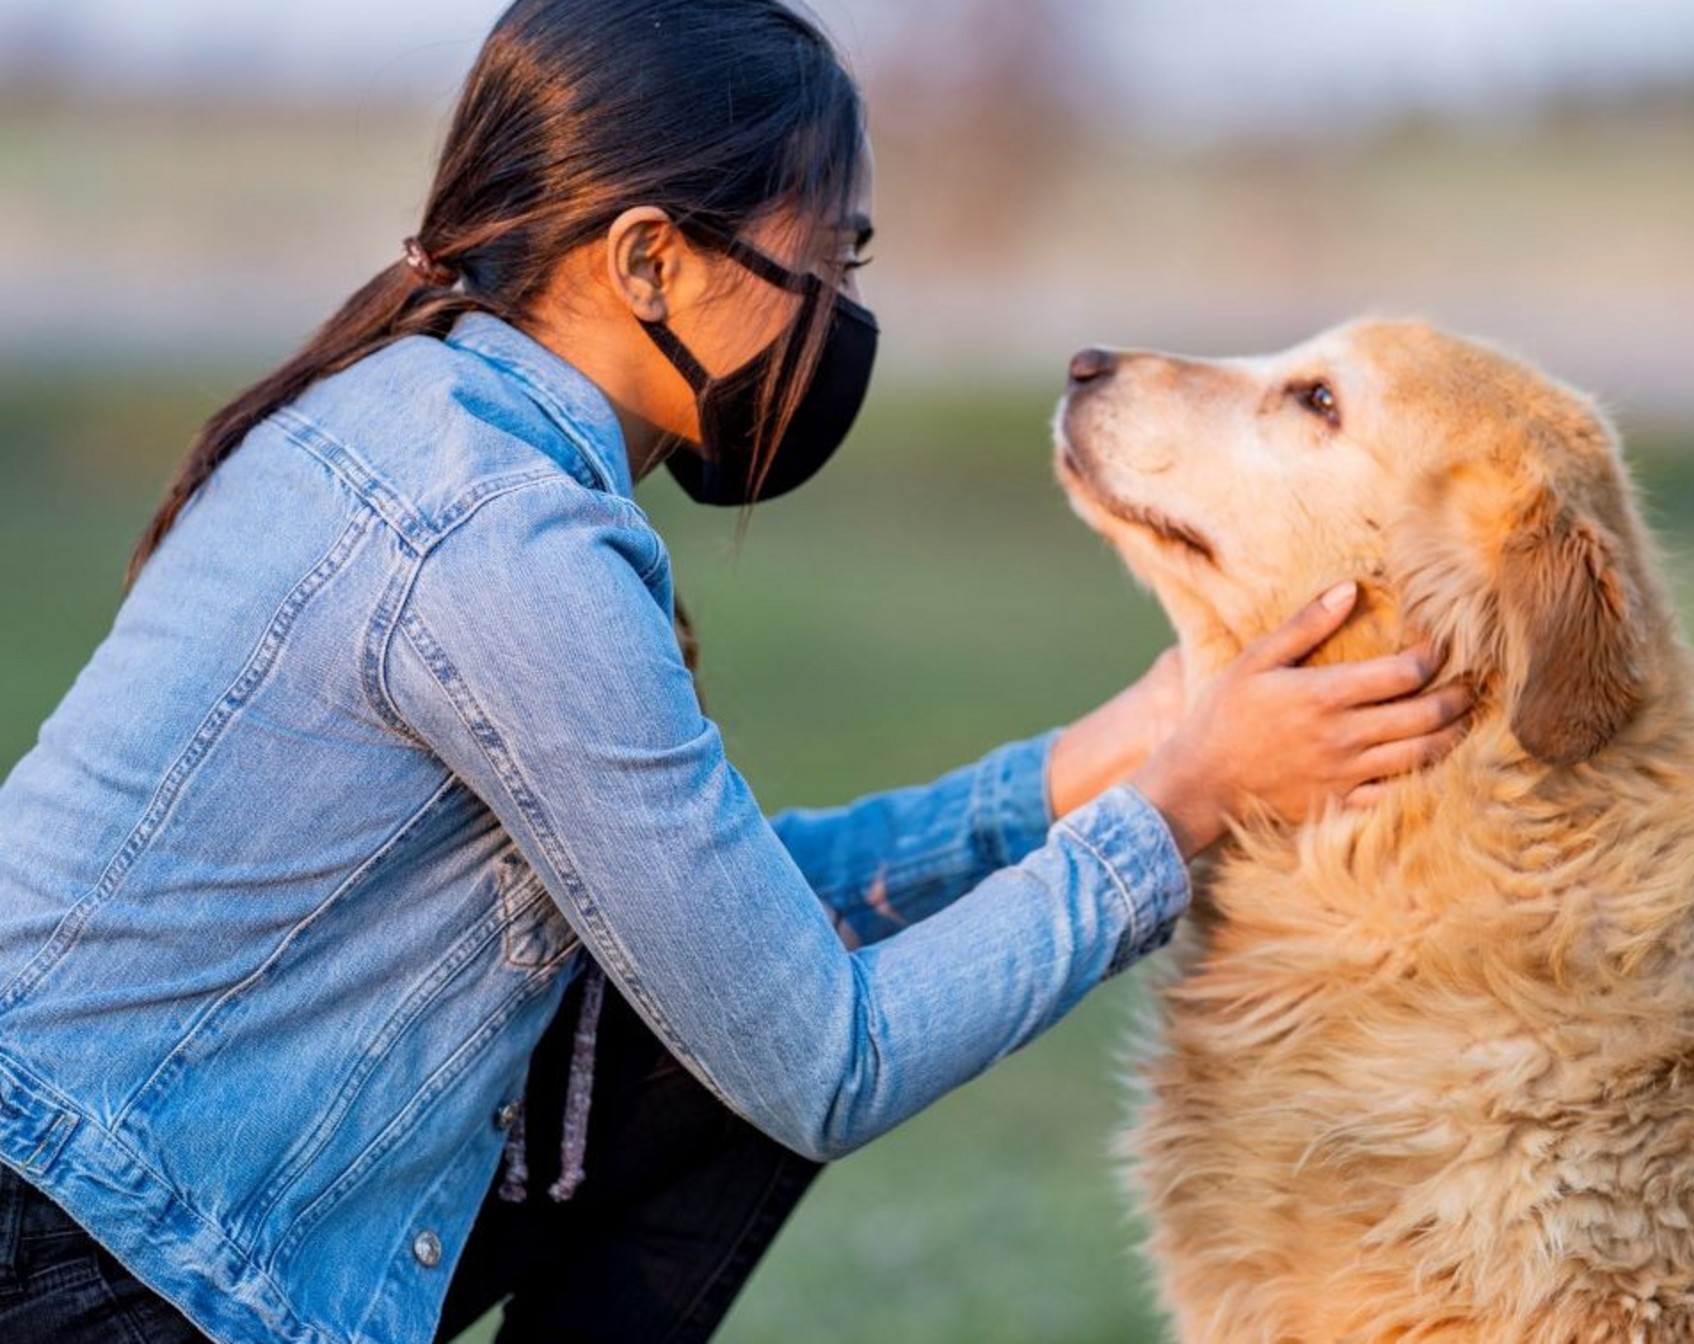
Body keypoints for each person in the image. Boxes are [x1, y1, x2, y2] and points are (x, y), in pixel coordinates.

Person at [0, 2, 1473, 1341]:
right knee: (762, 1055)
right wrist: (1179, 816)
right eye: (820, 263)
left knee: (717, 1030)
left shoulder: (423, 412)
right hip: (83, 1255)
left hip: (112, 1195)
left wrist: (1121, 749)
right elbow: (821, 1056)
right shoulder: (508, 549)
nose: (834, 316)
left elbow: (731, 941)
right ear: (649, 258)